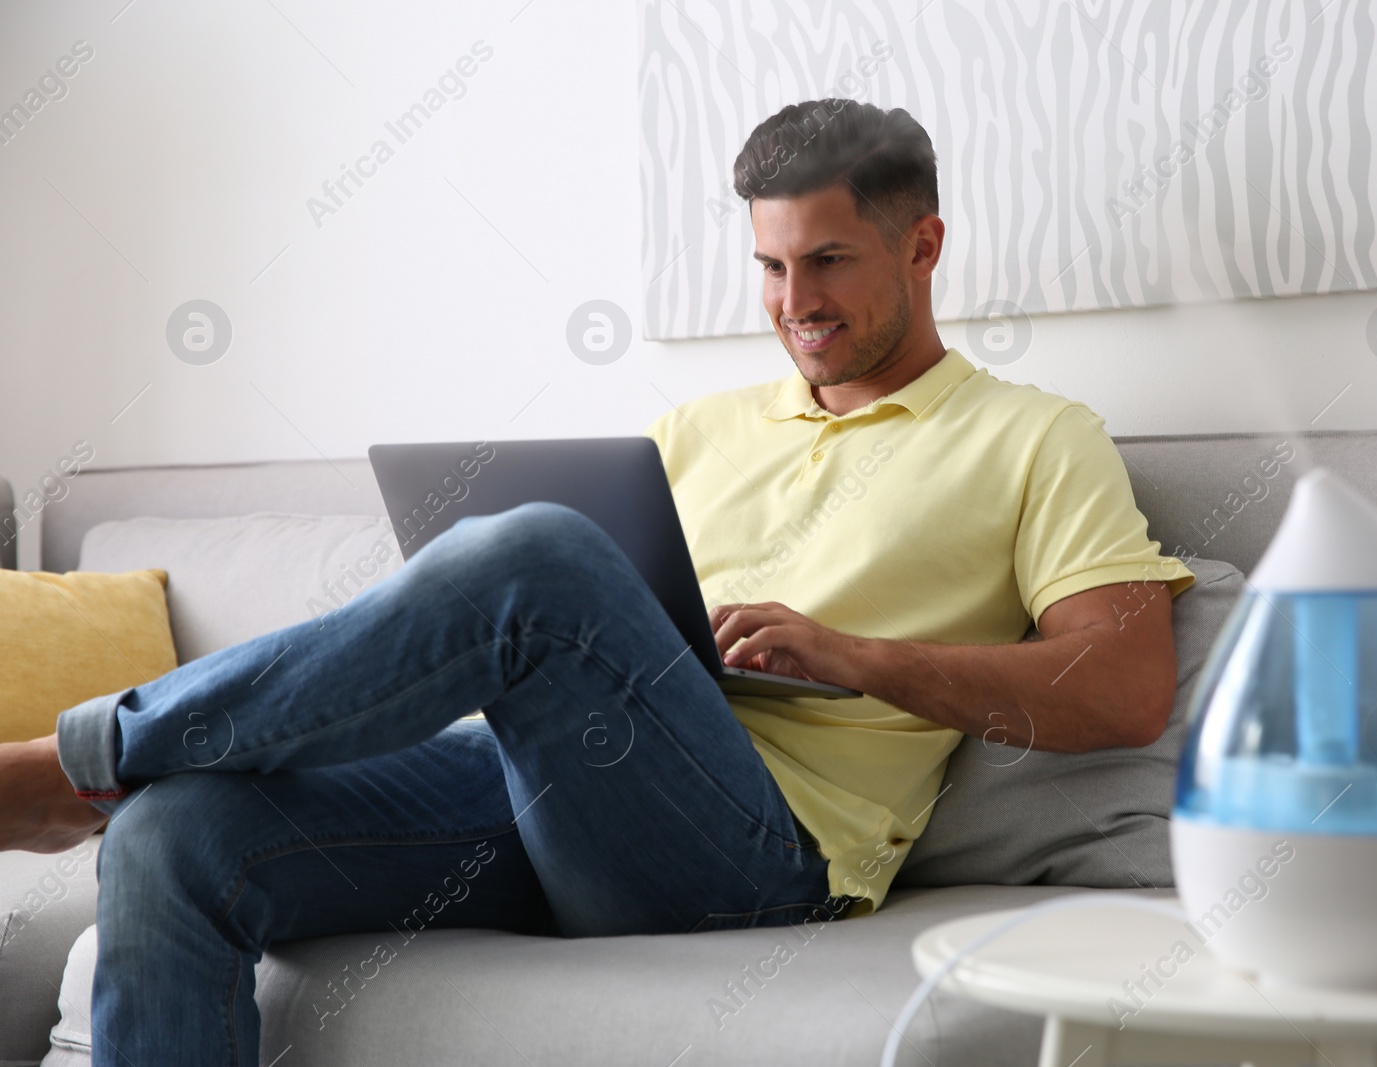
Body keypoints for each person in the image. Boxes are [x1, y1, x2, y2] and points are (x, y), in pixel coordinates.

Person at [0, 98, 1192, 1064]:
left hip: (762, 853)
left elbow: (1125, 687)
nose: (794, 305)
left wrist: (856, 654)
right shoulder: (697, 427)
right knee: (173, 831)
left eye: (827, 261)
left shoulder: (1036, 436)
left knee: (536, 552)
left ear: (923, 244)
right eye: (770, 266)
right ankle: (128, 780)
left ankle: (77, 763)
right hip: (555, 796)